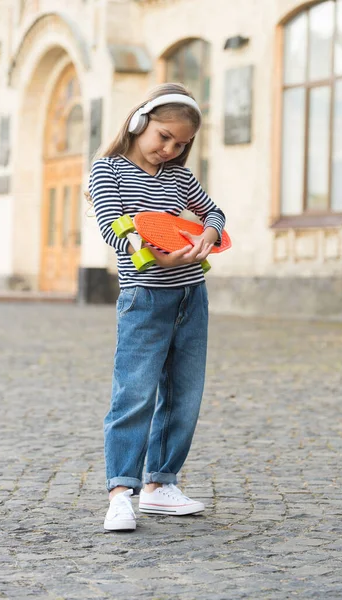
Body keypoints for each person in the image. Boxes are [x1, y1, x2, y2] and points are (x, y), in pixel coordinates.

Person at [88, 82, 226, 531]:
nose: (170, 149)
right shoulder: (108, 170)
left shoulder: (181, 178)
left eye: (181, 143)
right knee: (135, 394)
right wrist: (157, 257)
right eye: (164, 136)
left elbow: (215, 215)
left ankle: (160, 486)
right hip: (145, 298)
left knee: (184, 395)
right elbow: (115, 228)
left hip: (191, 296)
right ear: (138, 122)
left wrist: (208, 234)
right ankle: (121, 492)